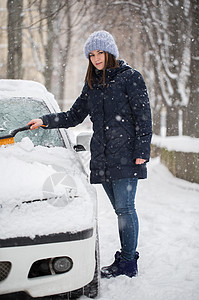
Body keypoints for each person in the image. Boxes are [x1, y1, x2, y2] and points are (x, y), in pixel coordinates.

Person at [28, 30, 152, 278]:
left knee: (126, 209)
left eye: (100, 53)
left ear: (111, 53)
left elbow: (144, 118)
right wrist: (44, 120)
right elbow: (73, 116)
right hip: (103, 159)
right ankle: (126, 258)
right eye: (92, 54)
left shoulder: (131, 78)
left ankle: (128, 262)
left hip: (127, 155)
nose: (96, 58)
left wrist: (141, 151)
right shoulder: (92, 85)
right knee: (120, 210)